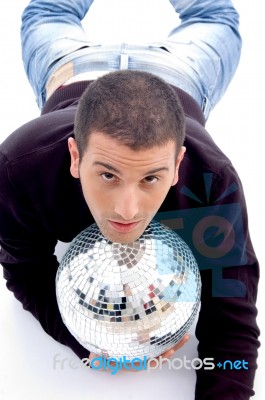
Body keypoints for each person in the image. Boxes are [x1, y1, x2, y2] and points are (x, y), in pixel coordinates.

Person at [0, 0, 260, 398]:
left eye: (151, 178)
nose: (127, 209)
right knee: (47, 12)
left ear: (177, 165)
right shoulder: (18, 168)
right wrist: (90, 351)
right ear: (75, 156)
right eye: (107, 174)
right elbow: (23, 271)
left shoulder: (210, 183)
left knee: (216, 15)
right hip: (75, 65)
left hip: (180, 73)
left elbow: (232, 327)